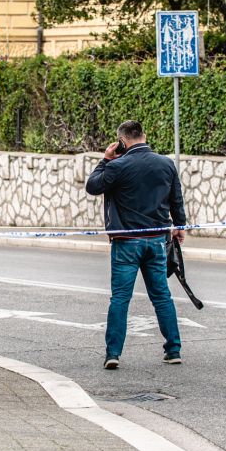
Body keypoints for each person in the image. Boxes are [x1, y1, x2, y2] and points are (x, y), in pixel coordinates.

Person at [85, 120, 186, 369]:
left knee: (120, 298)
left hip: (126, 242)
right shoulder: (166, 163)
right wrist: (179, 227)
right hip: (156, 241)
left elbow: (92, 186)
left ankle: (113, 354)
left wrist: (106, 159)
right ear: (144, 135)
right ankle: (173, 349)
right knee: (162, 296)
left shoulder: (117, 165)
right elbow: (177, 198)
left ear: (121, 141)